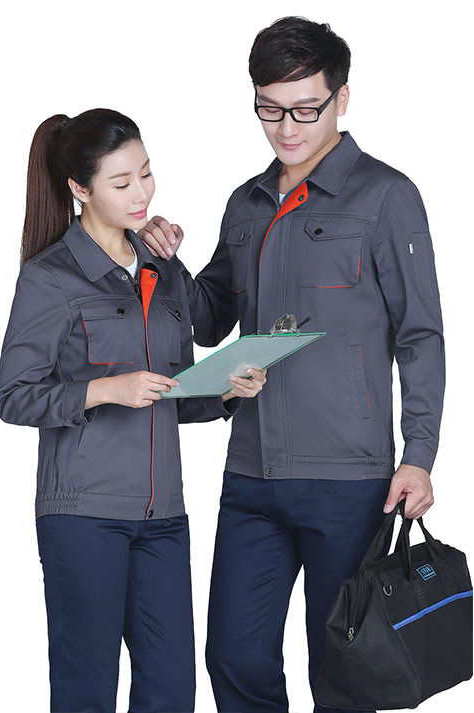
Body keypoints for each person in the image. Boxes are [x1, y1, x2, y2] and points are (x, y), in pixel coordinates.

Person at [139, 17, 445, 713]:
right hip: (252, 473)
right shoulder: (246, 203)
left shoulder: (386, 196)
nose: (286, 128)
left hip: (351, 478)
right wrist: (165, 261)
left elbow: (420, 333)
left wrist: (419, 454)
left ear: (342, 98)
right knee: (233, 654)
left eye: (306, 109)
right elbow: (210, 318)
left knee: (343, 669)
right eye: (269, 109)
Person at [0, 108, 266, 713]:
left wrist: (224, 393)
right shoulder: (50, 278)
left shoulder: (159, 266)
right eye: (121, 183)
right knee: (87, 690)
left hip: (163, 516)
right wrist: (103, 390)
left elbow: (169, 392)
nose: (142, 193)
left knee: (171, 693)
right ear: (79, 188)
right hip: (83, 514)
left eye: (146, 173)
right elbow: (12, 395)